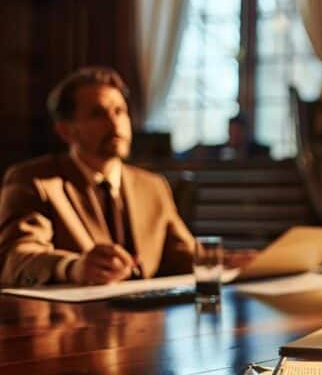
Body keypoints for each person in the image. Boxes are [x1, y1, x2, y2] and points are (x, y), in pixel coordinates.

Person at [0, 67, 195, 286]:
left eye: (120, 111)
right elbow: (15, 260)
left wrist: (237, 262)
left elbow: (189, 257)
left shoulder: (152, 186)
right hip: (72, 318)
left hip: (148, 318)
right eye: (98, 114)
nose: (115, 124)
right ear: (66, 131)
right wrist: (72, 267)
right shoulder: (35, 180)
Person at [185, 114, 271, 161]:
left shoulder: (259, 151)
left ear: (245, 132)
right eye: (232, 131)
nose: (234, 135)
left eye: (238, 132)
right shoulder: (216, 151)